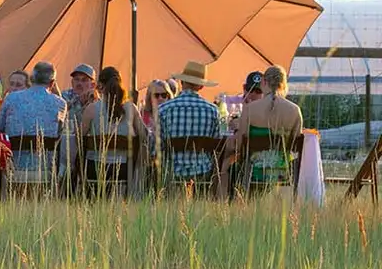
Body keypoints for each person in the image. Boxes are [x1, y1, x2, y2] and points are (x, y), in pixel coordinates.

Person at [154, 60, 228, 192]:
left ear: (181, 83)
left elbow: (157, 148)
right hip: (202, 173)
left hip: (172, 172)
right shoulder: (213, 110)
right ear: (201, 86)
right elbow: (216, 146)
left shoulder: (164, 109)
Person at [227, 65, 304, 190]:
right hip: (282, 171)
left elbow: (240, 144)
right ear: (284, 84)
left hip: (252, 170)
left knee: (229, 167)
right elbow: (296, 145)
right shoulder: (295, 110)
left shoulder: (250, 109)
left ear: (264, 82)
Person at [0, 61, 68, 185]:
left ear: (32, 78)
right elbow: (59, 135)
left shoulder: (11, 98)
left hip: (14, 167)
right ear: (52, 83)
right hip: (45, 168)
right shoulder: (60, 104)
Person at [77, 67, 141, 197]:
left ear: (100, 86)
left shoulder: (92, 109)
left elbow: (79, 138)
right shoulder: (131, 108)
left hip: (95, 169)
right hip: (123, 169)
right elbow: (144, 136)